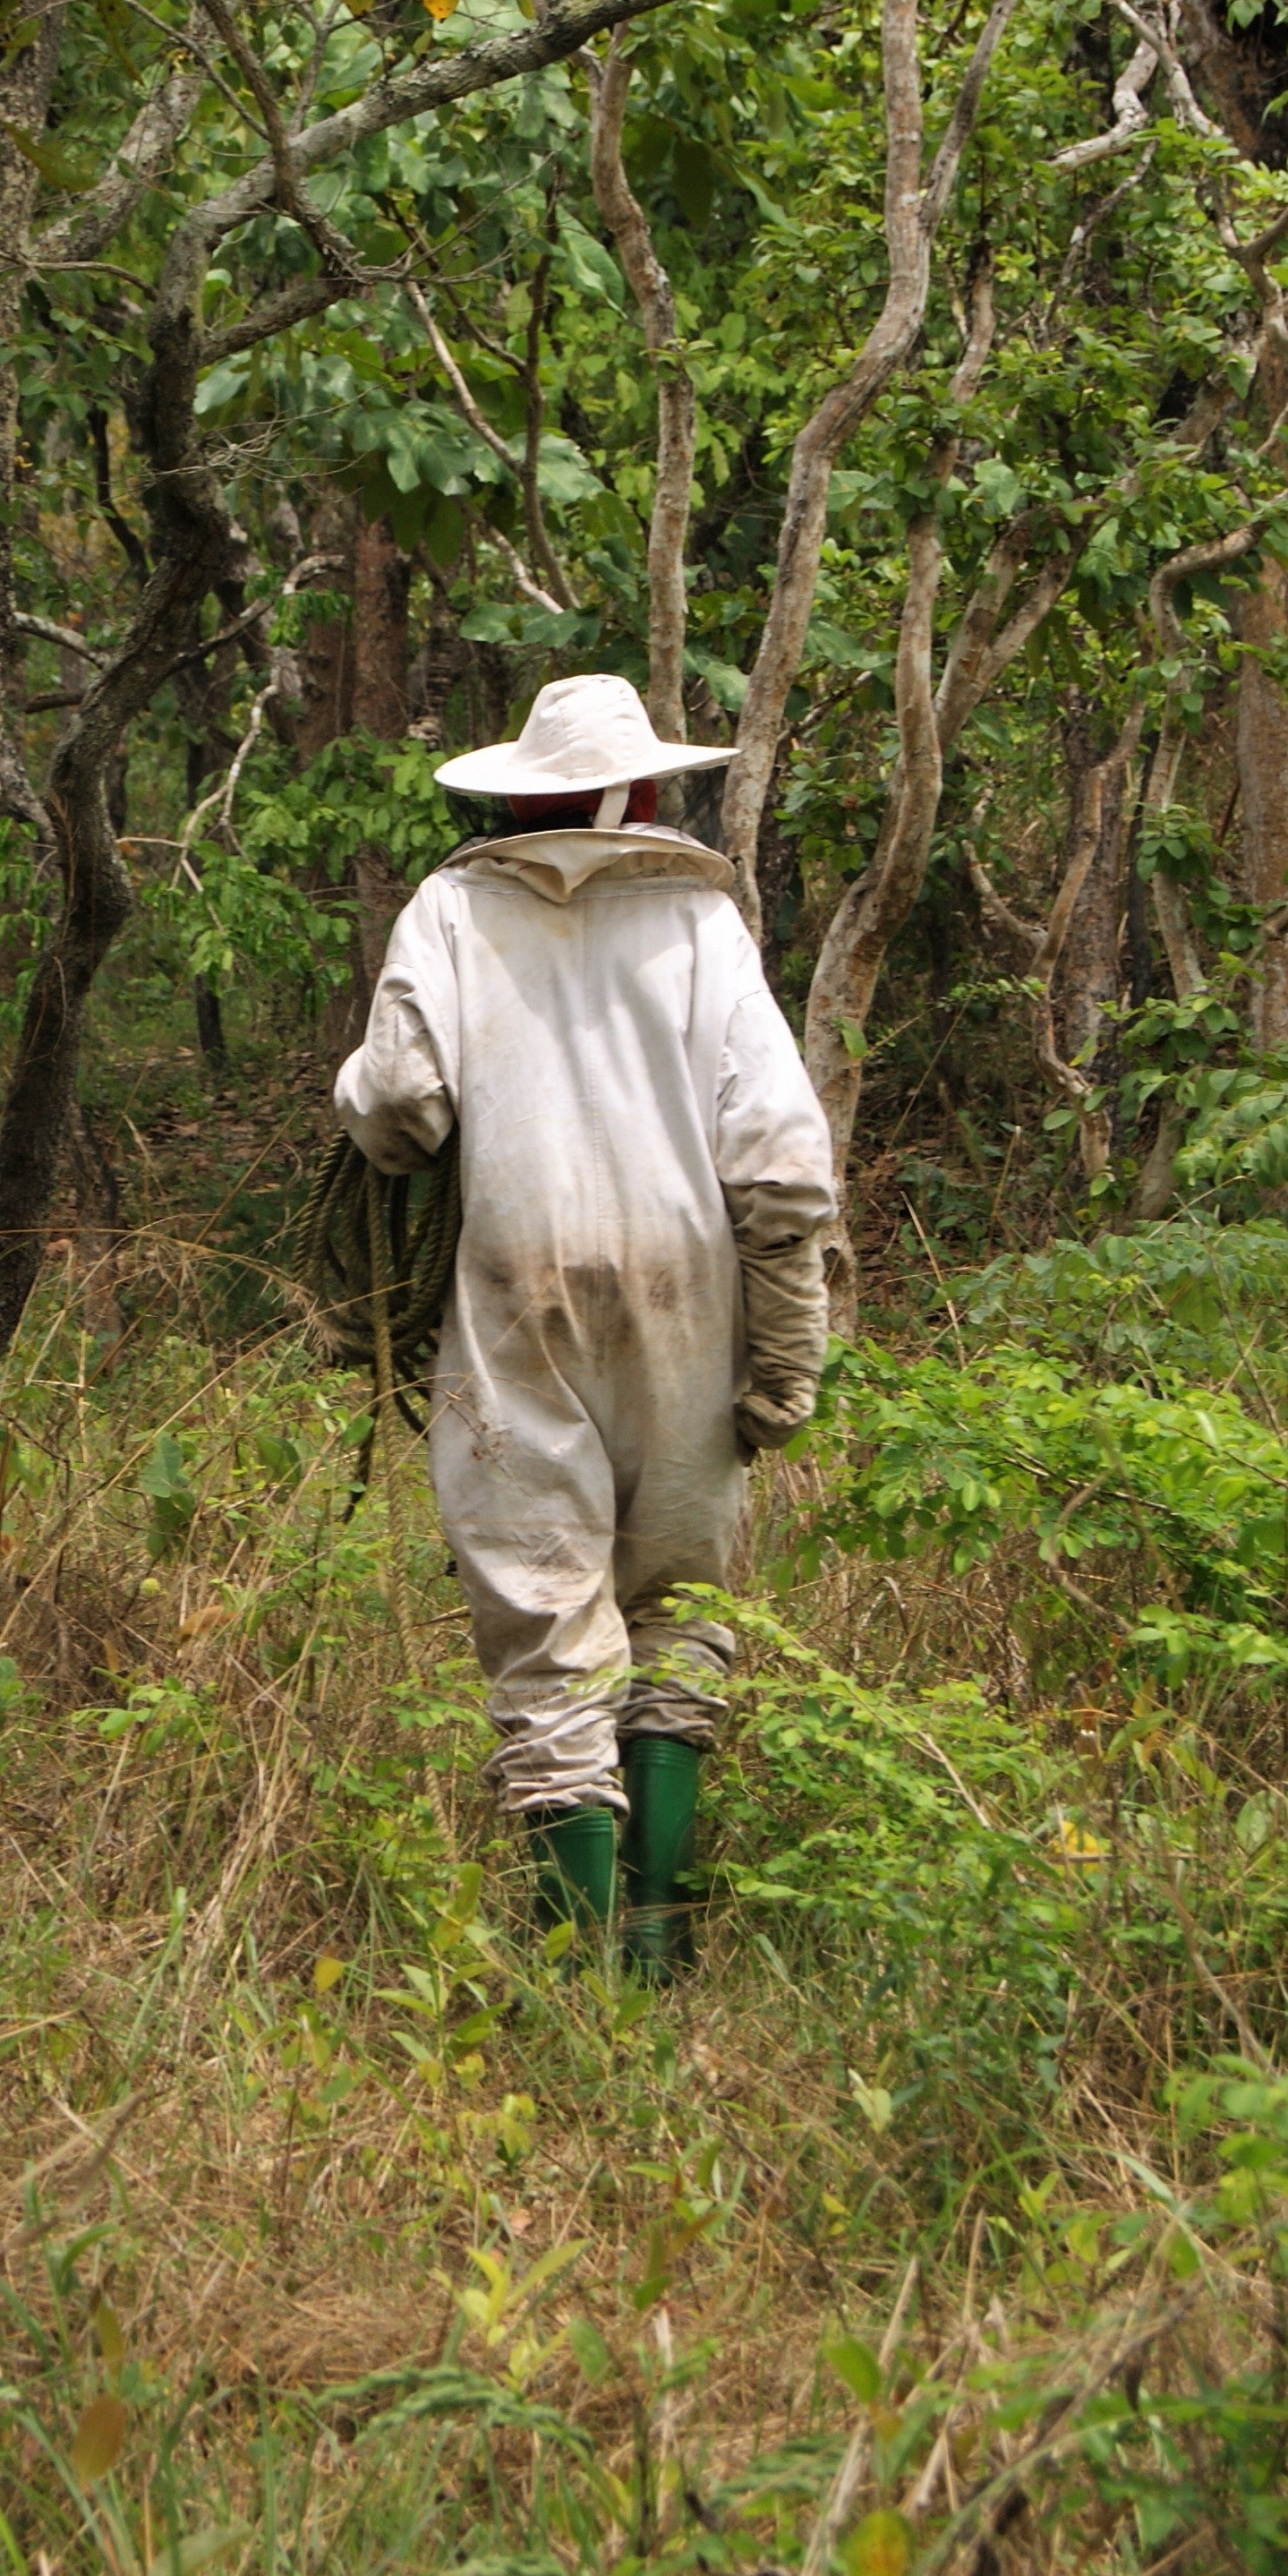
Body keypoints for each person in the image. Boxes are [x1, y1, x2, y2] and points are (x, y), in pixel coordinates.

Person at [331, 673, 840, 1975]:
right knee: (678, 1595)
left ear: (520, 794)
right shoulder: (703, 925)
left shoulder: (450, 909)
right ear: (645, 796)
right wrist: (787, 1351)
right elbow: (781, 1163)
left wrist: (361, 1100)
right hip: (693, 1289)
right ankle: (658, 1945)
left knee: (543, 1608)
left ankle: (573, 1965)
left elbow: (399, 1111)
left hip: (515, 1290)